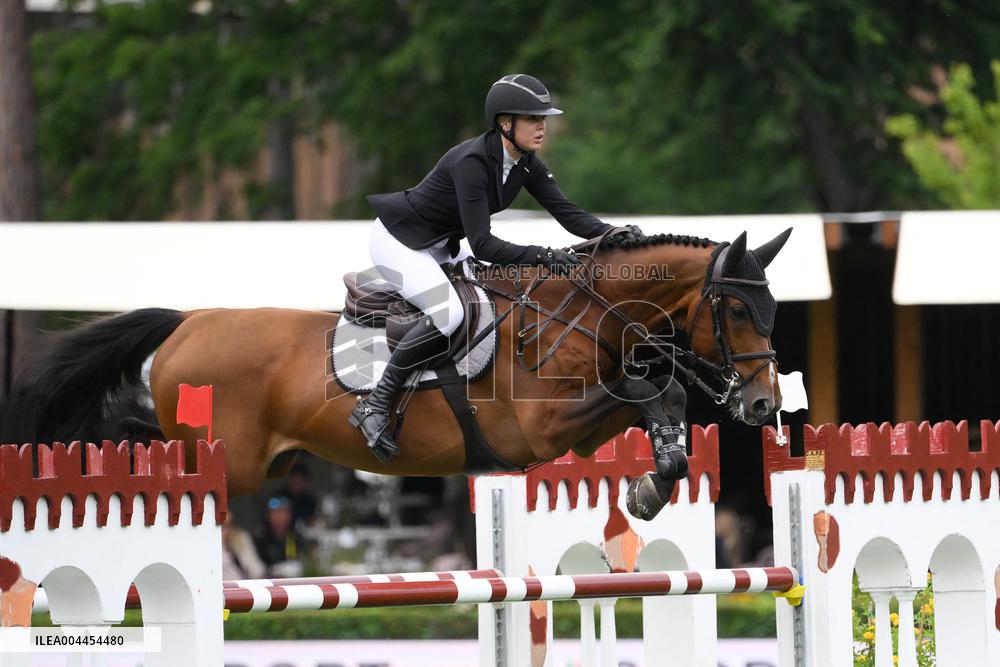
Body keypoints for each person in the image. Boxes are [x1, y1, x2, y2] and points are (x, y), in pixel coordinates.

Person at [354, 74, 642, 462]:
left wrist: (616, 235)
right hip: (398, 240)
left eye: (544, 119)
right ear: (506, 123)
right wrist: (544, 255)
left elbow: (568, 213)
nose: (542, 127)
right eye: (533, 119)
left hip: (439, 244)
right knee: (451, 312)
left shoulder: (526, 164)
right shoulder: (472, 162)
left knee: (489, 304)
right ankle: (375, 403)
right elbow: (485, 245)